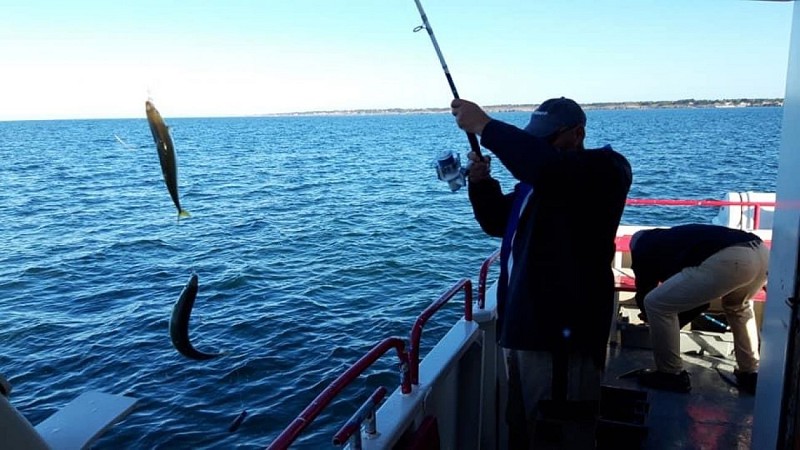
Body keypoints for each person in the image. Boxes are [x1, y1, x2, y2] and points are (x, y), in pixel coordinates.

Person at [453, 97, 632, 449]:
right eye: (535, 139)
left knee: (560, 432)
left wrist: (485, 127)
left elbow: (547, 169)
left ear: (578, 132)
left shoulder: (605, 169)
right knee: (523, 426)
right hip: (524, 328)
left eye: (548, 138)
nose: (541, 146)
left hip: (562, 335)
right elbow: (496, 221)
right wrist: (480, 181)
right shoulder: (540, 183)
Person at [629, 224, 769, 394]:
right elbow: (697, 301)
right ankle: (750, 372)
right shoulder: (671, 240)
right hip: (761, 252)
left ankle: (670, 374)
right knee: (738, 306)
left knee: (656, 304)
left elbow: (645, 291)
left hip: (732, 259)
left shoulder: (643, 247)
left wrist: (651, 318)